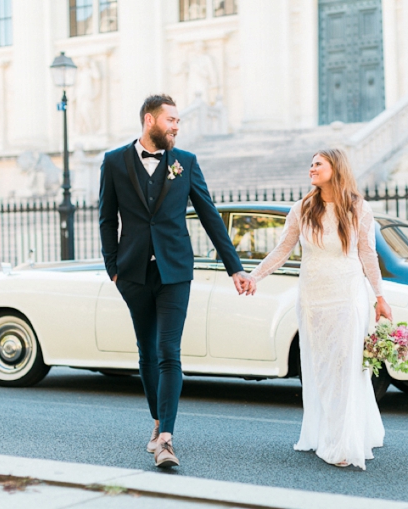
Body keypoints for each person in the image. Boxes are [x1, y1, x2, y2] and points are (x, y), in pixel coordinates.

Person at [98, 94, 251, 468]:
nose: (177, 126)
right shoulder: (114, 161)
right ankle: (157, 422)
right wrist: (113, 269)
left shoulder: (186, 163)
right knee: (146, 354)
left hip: (175, 272)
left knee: (169, 352)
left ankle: (165, 438)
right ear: (150, 120)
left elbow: (210, 215)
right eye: (171, 120)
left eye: (179, 120)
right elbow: (106, 218)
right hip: (132, 273)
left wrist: (235, 267)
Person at [244, 148, 392, 470]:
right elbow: (282, 249)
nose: (311, 168)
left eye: (318, 164)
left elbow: (368, 255)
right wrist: (254, 276)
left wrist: (380, 296)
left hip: (347, 295)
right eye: (310, 164)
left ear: (335, 168)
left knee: (345, 368)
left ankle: (342, 443)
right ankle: (325, 431)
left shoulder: (358, 209)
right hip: (312, 300)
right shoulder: (303, 208)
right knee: (320, 370)